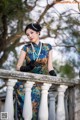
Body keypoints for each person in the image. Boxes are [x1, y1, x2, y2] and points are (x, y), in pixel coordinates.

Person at [14, 23, 56, 120]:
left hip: (39, 83)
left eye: (32, 33)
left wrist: (54, 75)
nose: (30, 36)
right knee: (24, 111)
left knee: (36, 110)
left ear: (38, 32)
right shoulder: (26, 48)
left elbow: (50, 67)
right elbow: (18, 67)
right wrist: (27, 68)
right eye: (27, 34)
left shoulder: (47, 47)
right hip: (24, 83)